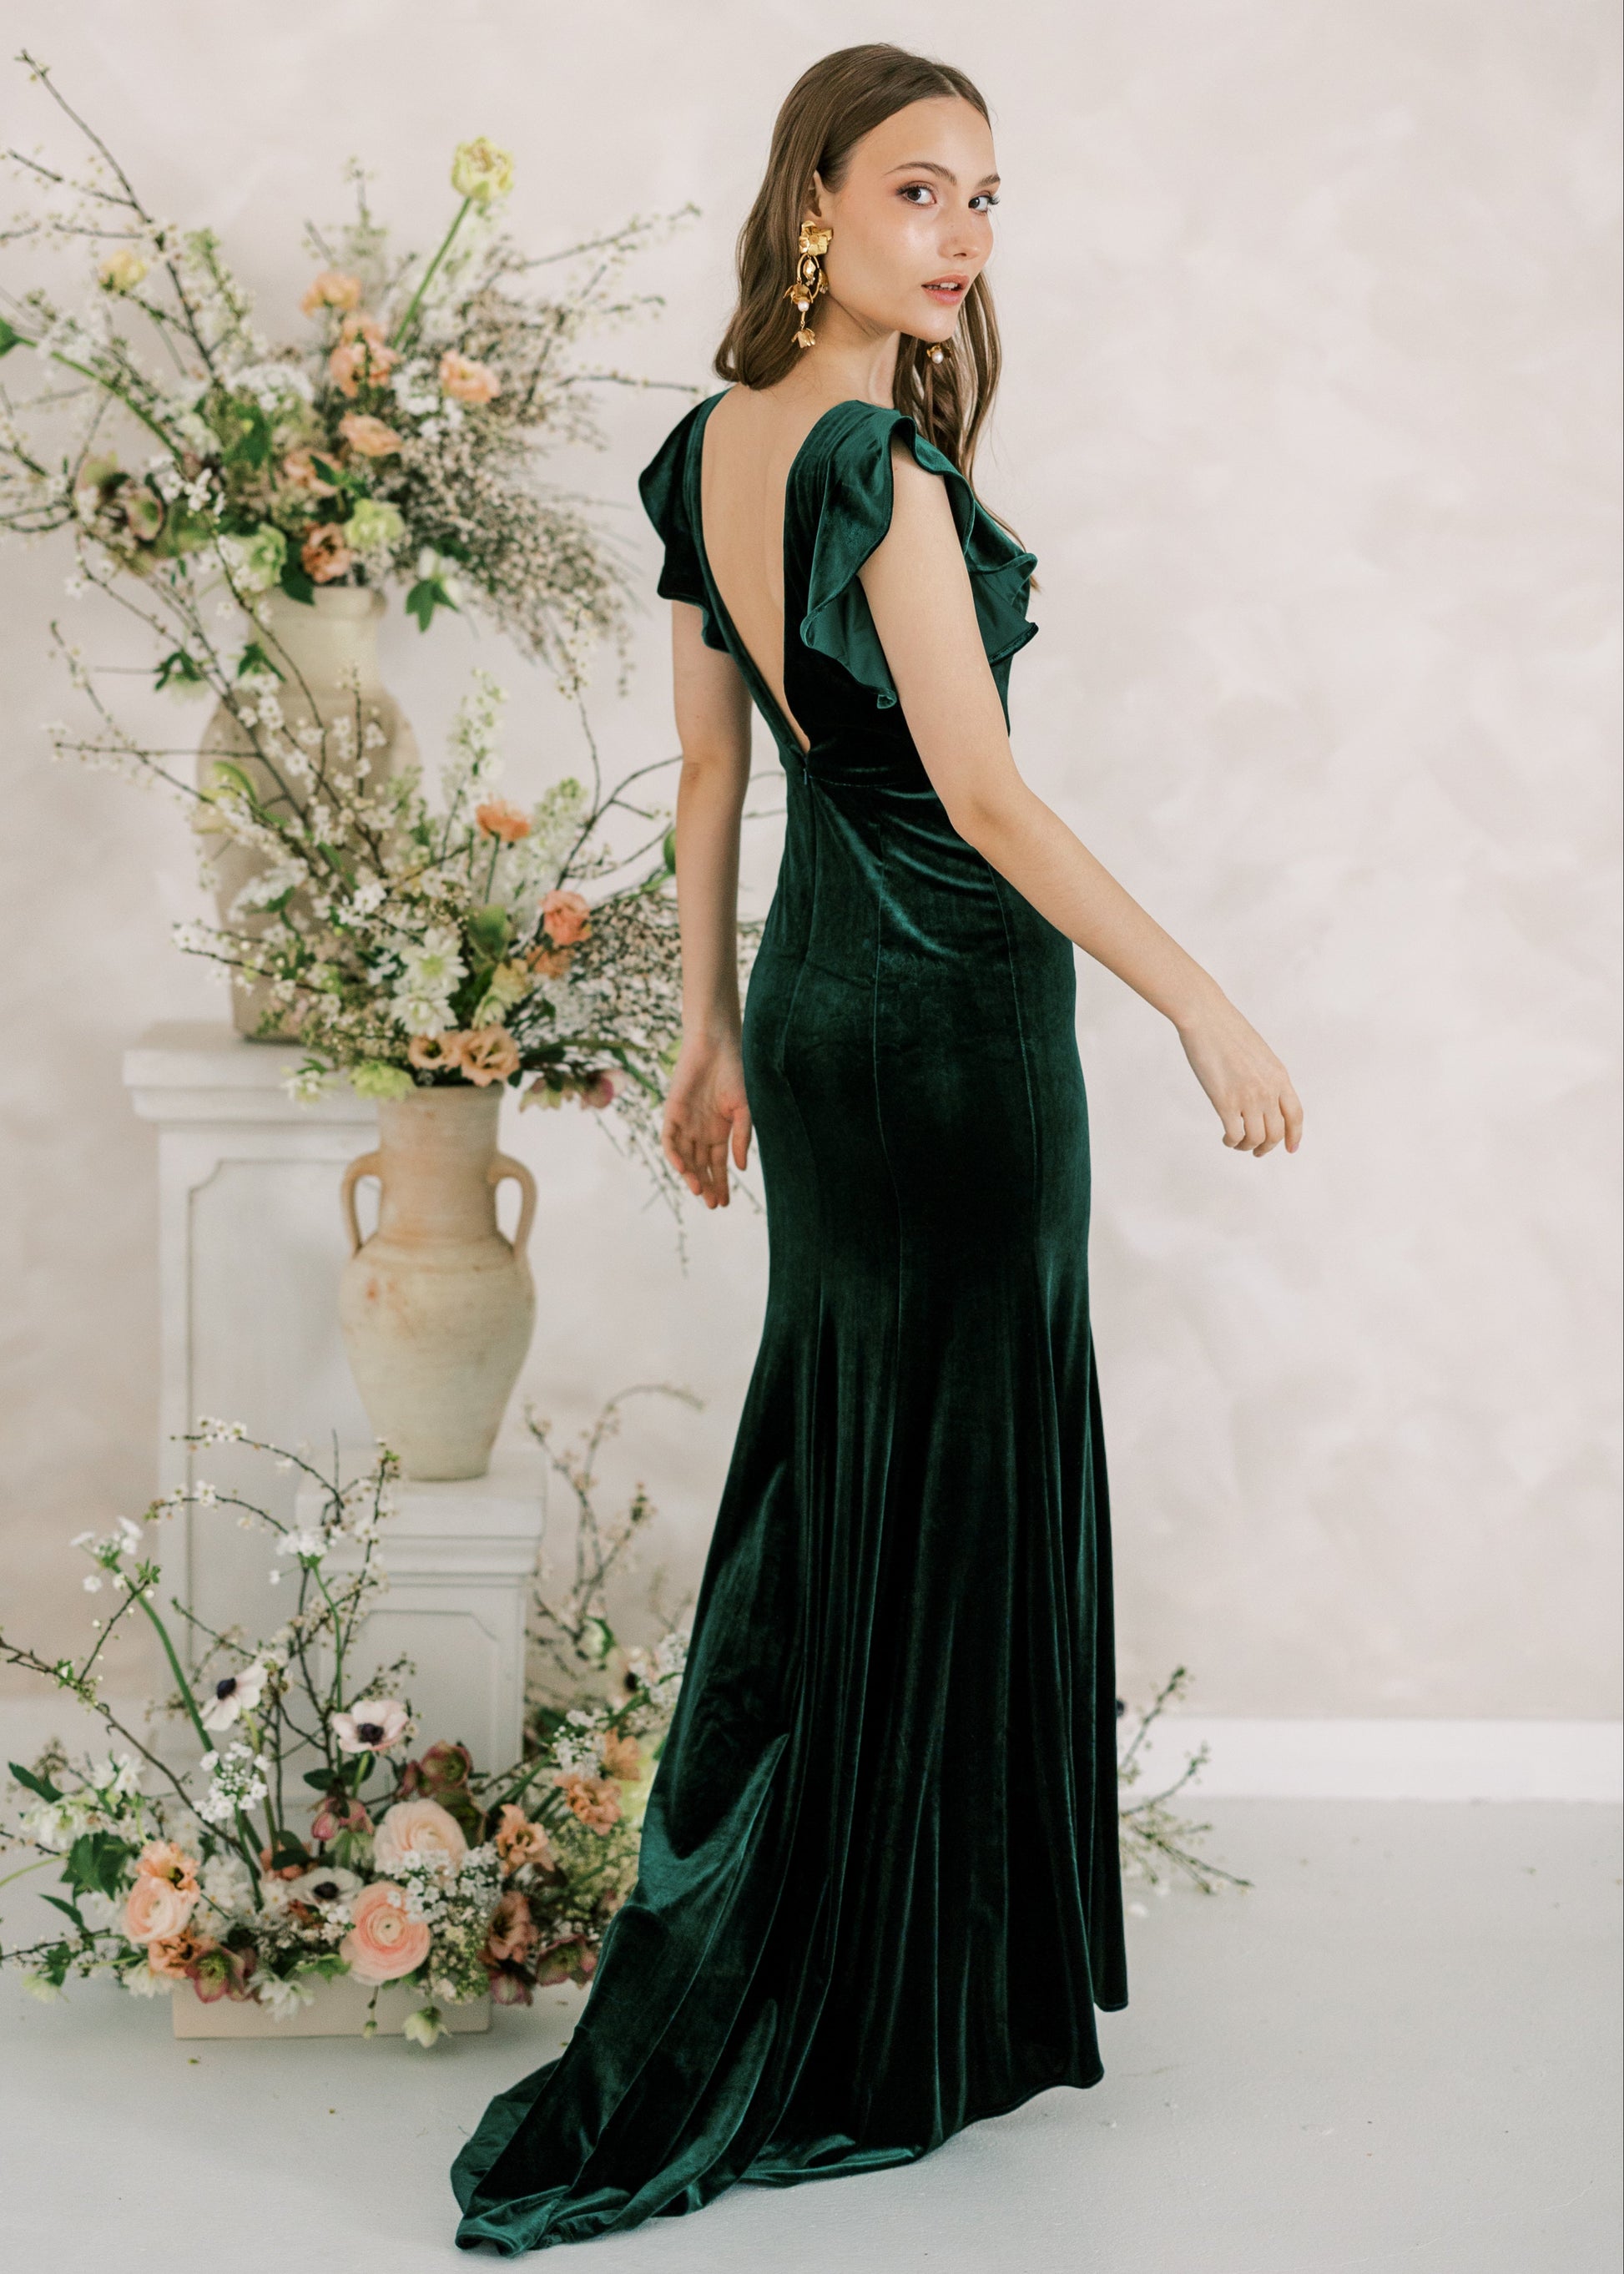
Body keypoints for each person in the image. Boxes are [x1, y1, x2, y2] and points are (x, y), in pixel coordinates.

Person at [451, 42, 1303, 2256]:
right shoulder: (875, 469)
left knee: (858, 1465)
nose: (964, 238)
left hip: (823, 1019)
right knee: (947, 1464)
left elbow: (710, 783)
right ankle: (896, 1998)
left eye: (988, 199)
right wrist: (1198, 998)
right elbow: (988, 799)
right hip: (948, 1027)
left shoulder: (700, 451)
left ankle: (870, 1957)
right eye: (921, 190)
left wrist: (711, 1040)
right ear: (813, 204)